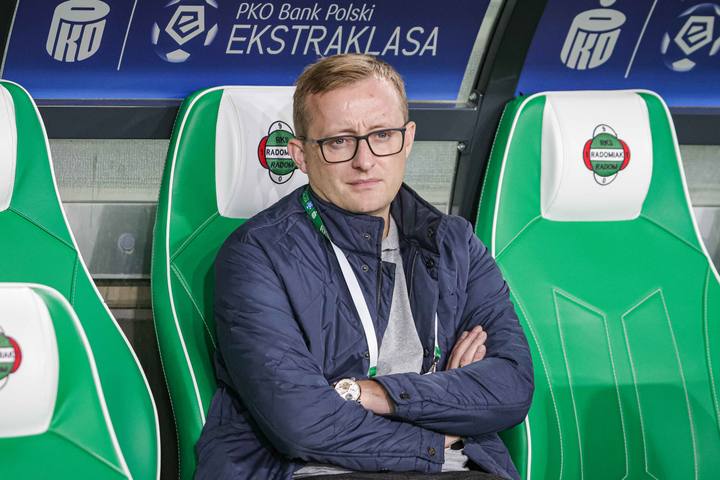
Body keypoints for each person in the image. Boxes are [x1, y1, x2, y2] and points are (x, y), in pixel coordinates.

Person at [196, 54, 533, 480]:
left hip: (462, 468)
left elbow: (511, 387)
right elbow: (303, 425)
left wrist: (367, 393)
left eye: (382, 135)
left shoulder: (454, 243)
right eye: (339, 141)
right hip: (315, 472)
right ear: (300, 155)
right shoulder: (257, 255)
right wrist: (442, 425)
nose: (365, 160)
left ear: (408, 140)